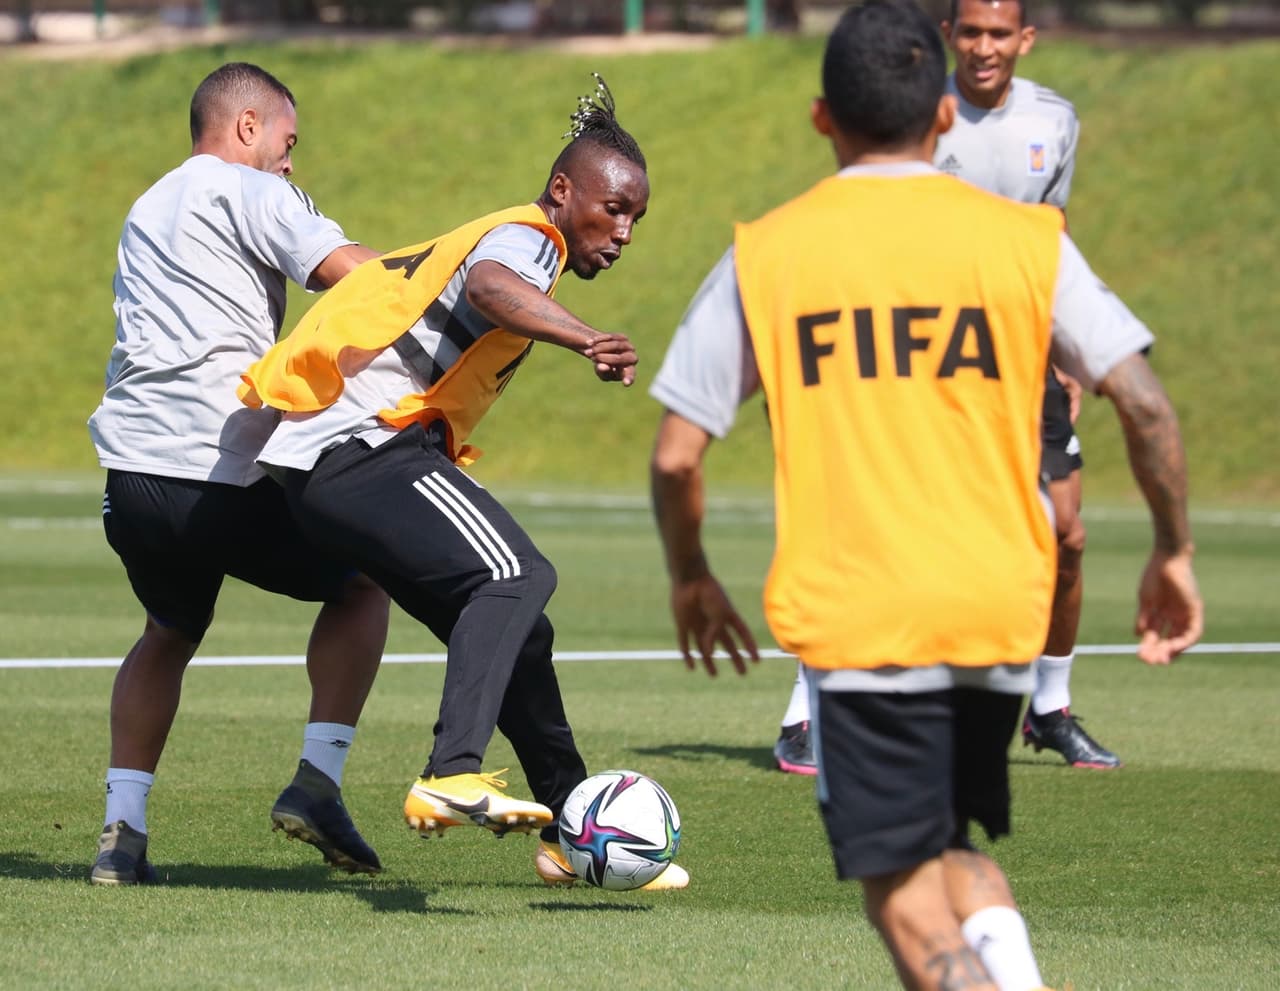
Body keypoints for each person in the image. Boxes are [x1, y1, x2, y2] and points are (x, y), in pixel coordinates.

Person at [649, 2, 1202, 988]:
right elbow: (1146, 405)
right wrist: (1170, 550)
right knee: (948, 843)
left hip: (867, 616)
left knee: (896, 886)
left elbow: (676, 457)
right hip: (998, 611)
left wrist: (690, 573)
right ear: (940, 116)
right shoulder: (1025, 243)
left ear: (822, 118)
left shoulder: (770, 251)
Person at [237, 74, 687, 891]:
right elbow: (490, 286)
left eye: (636, 218)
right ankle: (453, 769)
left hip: (328, 466)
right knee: (518, 575)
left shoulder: (521, 241)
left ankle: (568, 830)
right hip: (361, 448)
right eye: (613, 208)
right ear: (562, 190)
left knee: (524, 634)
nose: (622, 232)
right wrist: (585, 339)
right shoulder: (530, 238)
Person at [87, 62, 390, 885]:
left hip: (132, 475)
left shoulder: (147, 206)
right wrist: (456, 288)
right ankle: (319, 783)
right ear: (248, 126)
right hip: (216, 466)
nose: (291, 163)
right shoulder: (253, 191)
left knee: (170, 629)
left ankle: (123, 831)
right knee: (364, 579)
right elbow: (355, 276)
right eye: (287, 143)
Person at [934, 0, 1117, 769]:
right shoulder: (919, 116)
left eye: (998, 33)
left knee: (1066, 534)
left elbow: (1053, 238)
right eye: (970, 31)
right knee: (903, 535)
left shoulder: (1055, 120)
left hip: (1024, 360)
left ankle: (1049, 705)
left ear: (1025, 38)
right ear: (949, 35)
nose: (983, 47)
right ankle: (809, 714)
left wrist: (1066, 347)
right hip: (929, 361)